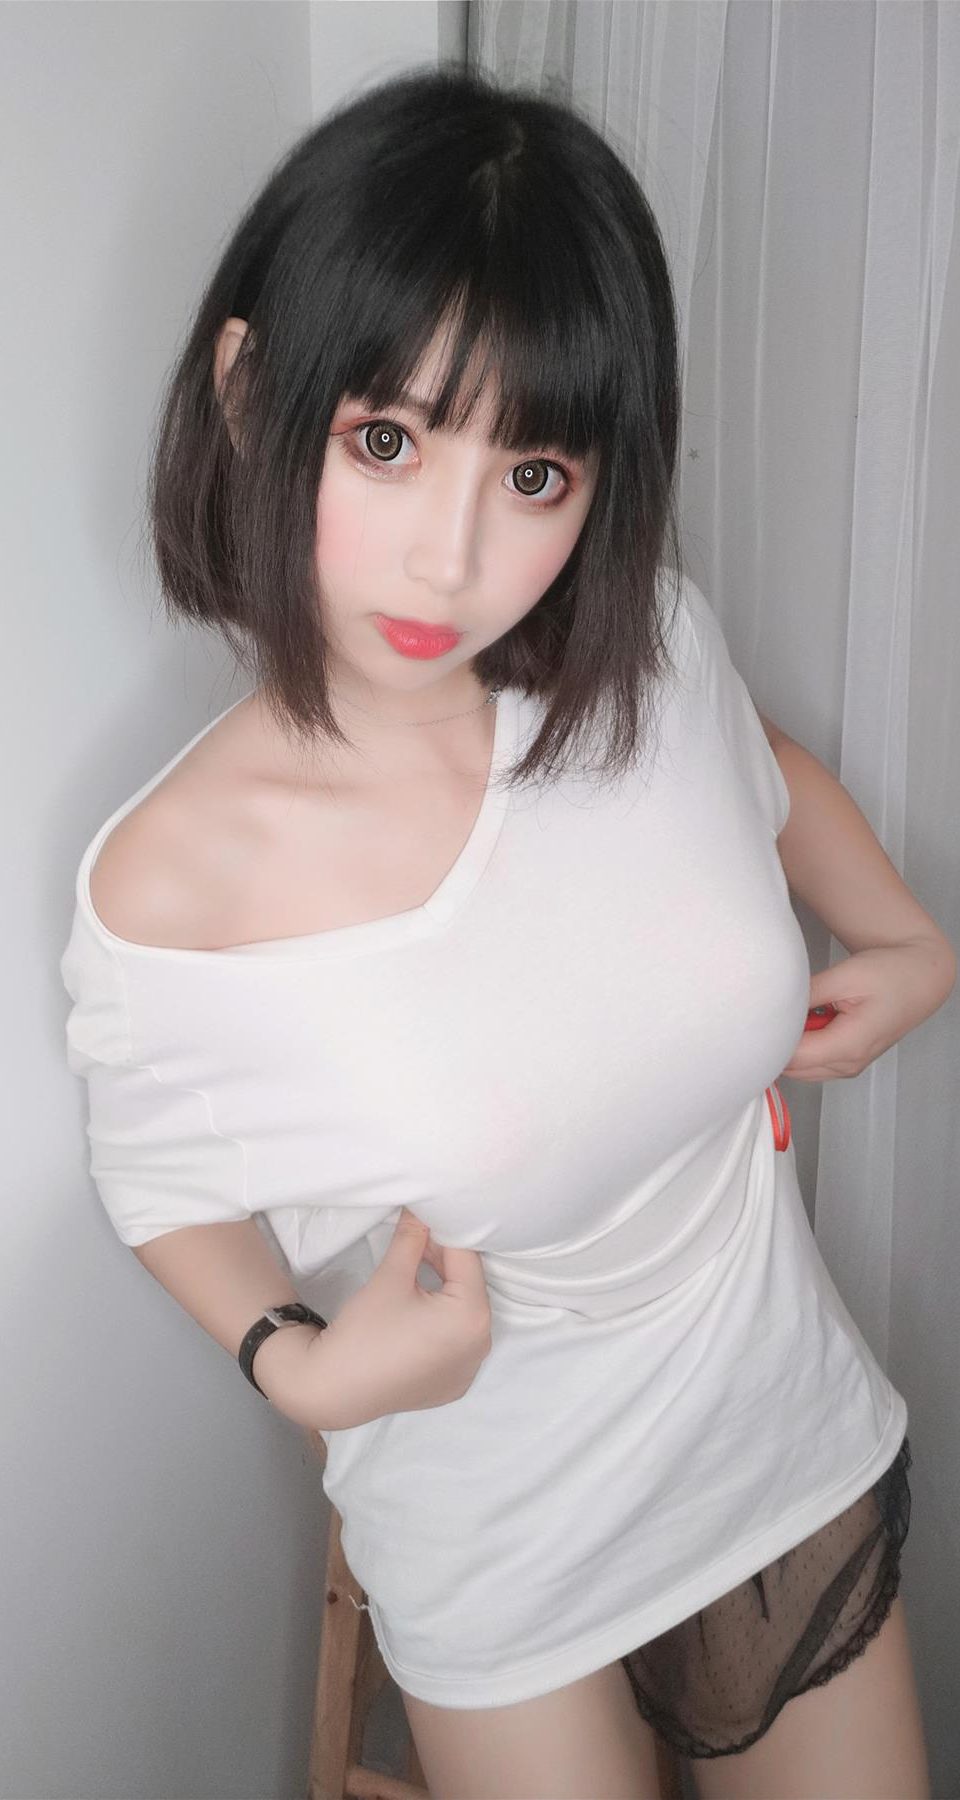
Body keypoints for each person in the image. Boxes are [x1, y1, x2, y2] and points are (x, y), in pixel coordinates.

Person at [60, 63, 930, 1800]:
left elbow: (759, 767)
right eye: (385, 442)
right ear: (249, 392)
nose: (448, 561)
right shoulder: (175, 888)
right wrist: (302, 1370)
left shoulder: (650, 652)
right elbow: (156, 1174)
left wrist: (904, 941)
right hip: (504, 1529)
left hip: (774, 1427)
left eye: (532, 472)